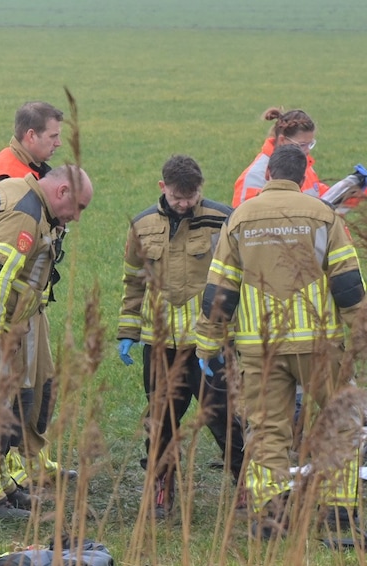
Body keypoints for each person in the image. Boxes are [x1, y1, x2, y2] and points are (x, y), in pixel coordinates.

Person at [197, 144, 364, 539]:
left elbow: (219, 290)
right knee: (342, 421)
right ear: (305, 175)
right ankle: (339, 516)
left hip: (260, 349)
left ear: (268, 173)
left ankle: (270, 519)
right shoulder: (322, 215)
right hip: (320, 346)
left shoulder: (239, 219)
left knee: (267, 430)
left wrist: (207, 345)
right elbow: (348, 286)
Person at [0, 166, 92, 518]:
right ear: (62, 191)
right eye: (78, 207)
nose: (77, 217)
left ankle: (1, 487)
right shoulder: (24, 213)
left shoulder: (28, 200)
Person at [117, 155, 246, 520]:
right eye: (178, 197)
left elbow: (239, 281)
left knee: (224, 417)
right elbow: (133, 282)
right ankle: (162, 484)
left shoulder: (223, 219)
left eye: (192, 196)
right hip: (160, 346)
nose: (185, 203)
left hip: (209, 345)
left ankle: (246, 486)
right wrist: (128, 331)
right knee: (160, 420)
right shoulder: (141, 226)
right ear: (163, 188)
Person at [0, 101, 74, 489]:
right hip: (13, 302)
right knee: (20, 386)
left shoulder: (34, 171)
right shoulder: (7, 175)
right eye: (53, 136)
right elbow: (2, 255)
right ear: (30, 136)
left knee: (44, 380)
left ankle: (35, 456)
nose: (59, 144)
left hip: (33, 300)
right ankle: (16, 465)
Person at [232, 107, 328, 207]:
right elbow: (243, 218)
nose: (307, 150)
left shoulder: (304, 164)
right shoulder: (254, 176)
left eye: (310, 144)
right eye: (302, 145)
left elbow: (318, 193)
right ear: (282, 140)